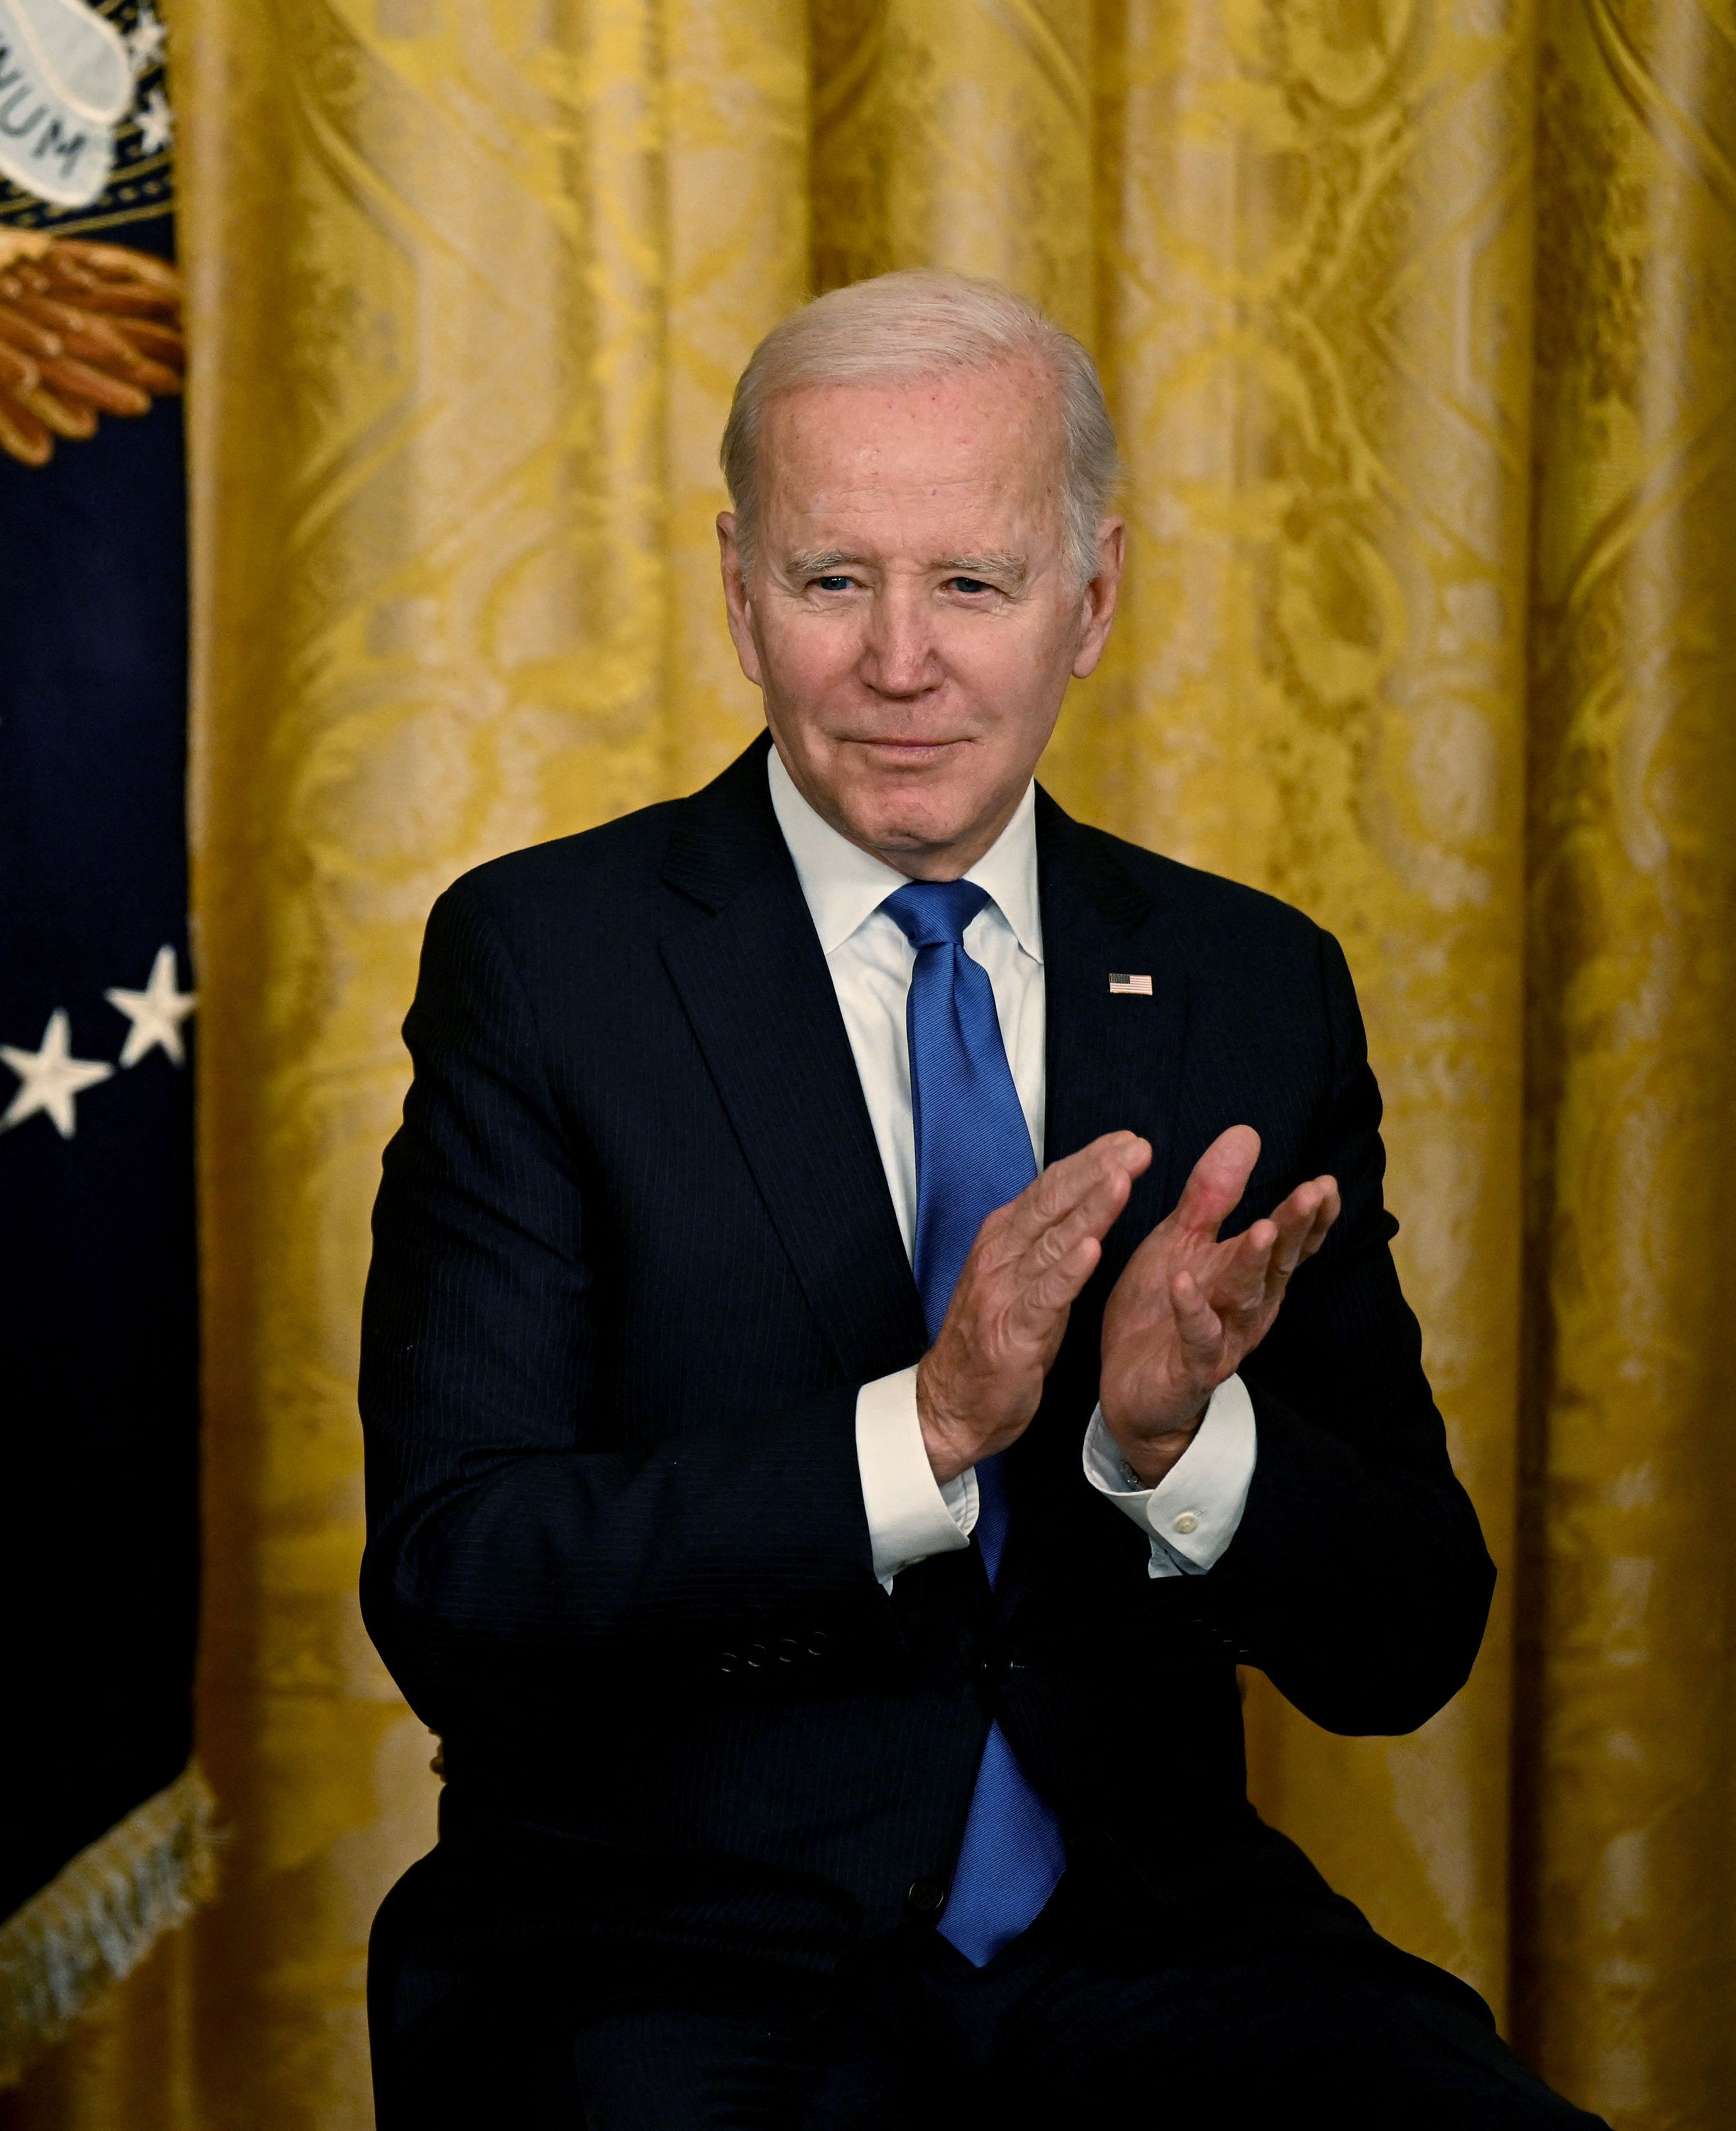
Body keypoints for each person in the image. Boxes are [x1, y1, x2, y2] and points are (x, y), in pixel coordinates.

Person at [357, 272, 1599, 2128]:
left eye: (972, 584)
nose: (899, 662)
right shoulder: (548, 967)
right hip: (667, 1952)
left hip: (1153, 1943)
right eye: (831, 580)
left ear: (1091, 599)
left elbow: (1408, 1641)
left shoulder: (1253, 988)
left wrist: (1183, 1445)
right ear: (737, 591)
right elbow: (455, 1585)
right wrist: (923, 1429)